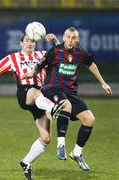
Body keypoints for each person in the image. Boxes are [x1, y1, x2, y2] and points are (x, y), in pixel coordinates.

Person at [0, 33, 66, 180]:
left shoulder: (42, 55)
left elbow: (62, 55)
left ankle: (26, 162)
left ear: (36, 44)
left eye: (33, 42)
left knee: (46, 138)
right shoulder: (13, 58)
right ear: (21, 43)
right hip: (26, 93)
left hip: (41, 99)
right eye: (27, 41)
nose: (30, 44)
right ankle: (53, 108)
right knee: (35, 93)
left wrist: (56, 41)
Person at [22, 27, 112, 171]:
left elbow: (91, 64)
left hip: (71, 92)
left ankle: (77, 153)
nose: (70, 40)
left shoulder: (81, 53)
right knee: (66, 105)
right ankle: (61, 144)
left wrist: (103, 83)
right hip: (52, 89)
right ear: (64, 37)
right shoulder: (54, 52)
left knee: (90, 120)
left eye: (73, 38)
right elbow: (40, 66)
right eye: (68, 37)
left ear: (78, 40)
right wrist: (31, 74)